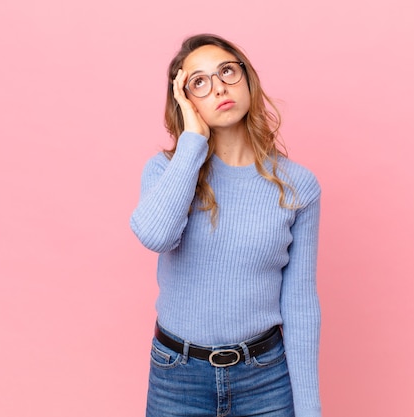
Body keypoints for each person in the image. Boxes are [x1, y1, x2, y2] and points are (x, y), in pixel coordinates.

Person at [130, 33, 322, 417]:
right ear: (185, 102)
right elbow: (154, 235)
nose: (218, 88)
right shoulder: (168, 171)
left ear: (247, 78)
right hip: (177, 376)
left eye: (227, 72)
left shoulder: (299, 185)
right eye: (199, 82)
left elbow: (300, 301)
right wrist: (191, 142)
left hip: (264, 377)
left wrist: (309, 408)